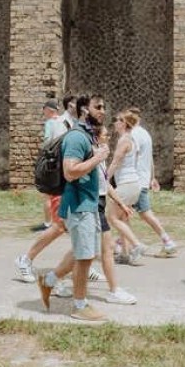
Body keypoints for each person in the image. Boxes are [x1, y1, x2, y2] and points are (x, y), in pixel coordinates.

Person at [37, 95, 118, 321]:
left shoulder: (89, 137)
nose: (103, 111)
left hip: (90, 204)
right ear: (84, 110)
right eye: (98, 107)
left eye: (104, 106)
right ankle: (79, 306)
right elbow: (70, 171)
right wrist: (98, 157)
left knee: (86, 254)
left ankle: (49, 281)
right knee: (83, 257)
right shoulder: (76, 137)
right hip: (78, 205)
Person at [123, 108, 178, 258]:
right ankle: (122, 245)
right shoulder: (145, 134)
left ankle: (166, 242)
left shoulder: (133, 135)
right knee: (123, 213)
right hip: (142, 179)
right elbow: (150, 159)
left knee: (142, 214)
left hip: (135, 181)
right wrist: (152, 177)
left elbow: (132, 158)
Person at [105, 110, 147, 264]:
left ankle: (137, 245)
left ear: (124, 123)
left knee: (112, 217)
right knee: (123, 218)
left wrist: (104, 179)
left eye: (117, 120)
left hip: (126, 184)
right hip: (133, 184)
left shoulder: (124, 140)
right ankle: (125, 253)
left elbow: (116, 162)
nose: (114, 122)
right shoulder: (132, 139)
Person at [32, 99, 63, 232]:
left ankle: (48, 222)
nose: (43, 112)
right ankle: (61, 220)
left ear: (49, 110)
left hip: (52, 161)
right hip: (63, 159)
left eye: (44, 109)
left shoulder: (50, 123)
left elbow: (47, 141)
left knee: (46, 193)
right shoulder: (64, 122)